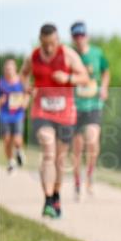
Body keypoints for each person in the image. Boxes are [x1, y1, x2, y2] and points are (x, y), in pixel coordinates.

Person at [19, 24, 90, 218]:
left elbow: (84, 77)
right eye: (45, 44)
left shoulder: (68, 54)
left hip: (65, 112)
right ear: (40, 41)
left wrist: (67, 76)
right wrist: (26, 88)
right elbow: (23, 75)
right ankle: (48, 198)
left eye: (52, 43)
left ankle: (56, 196)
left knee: (59, 158)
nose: (49, 48)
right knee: (48, 151)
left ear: (57, 40)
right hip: (42, 110)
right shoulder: (32, 56)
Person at [69, 21, 110, 198]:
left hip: (93, 104)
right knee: (77, 147)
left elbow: (106, 72)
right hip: (75, 106)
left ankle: (90, 174)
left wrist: (105, 87)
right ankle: (77, 181)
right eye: (76, 36)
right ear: (72, 38)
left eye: (82, 35)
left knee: (92, 140)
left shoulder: (97, 53)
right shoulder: (69, 55)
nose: (79, 39)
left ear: (87, 36)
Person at [0, 58, 28, 173]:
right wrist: (0, 101)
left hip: (18, 114)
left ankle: (19, 151)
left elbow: (27, 94)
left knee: (17, 140)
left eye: (10, 68)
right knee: (6, 140)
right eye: (6, 68)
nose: (8, 71)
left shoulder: (21, 81)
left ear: (15, 69)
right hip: (4, 115)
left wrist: (25, 101)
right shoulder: (0, 83)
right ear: (4, 70)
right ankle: (11, 161)